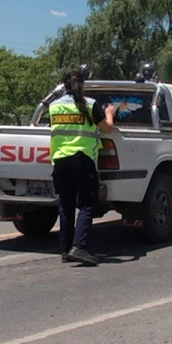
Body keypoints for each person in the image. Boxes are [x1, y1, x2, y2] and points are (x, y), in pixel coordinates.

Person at [49, 70, 116, 265]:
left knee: (66, 205)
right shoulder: (90, 104)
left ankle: (65, 249)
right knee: (87, 204)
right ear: (83, 85)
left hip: (60, 159)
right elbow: (107, 128)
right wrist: (109, 114)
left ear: (64, 85)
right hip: (83, 158)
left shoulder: (53, 106)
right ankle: (80, 247)